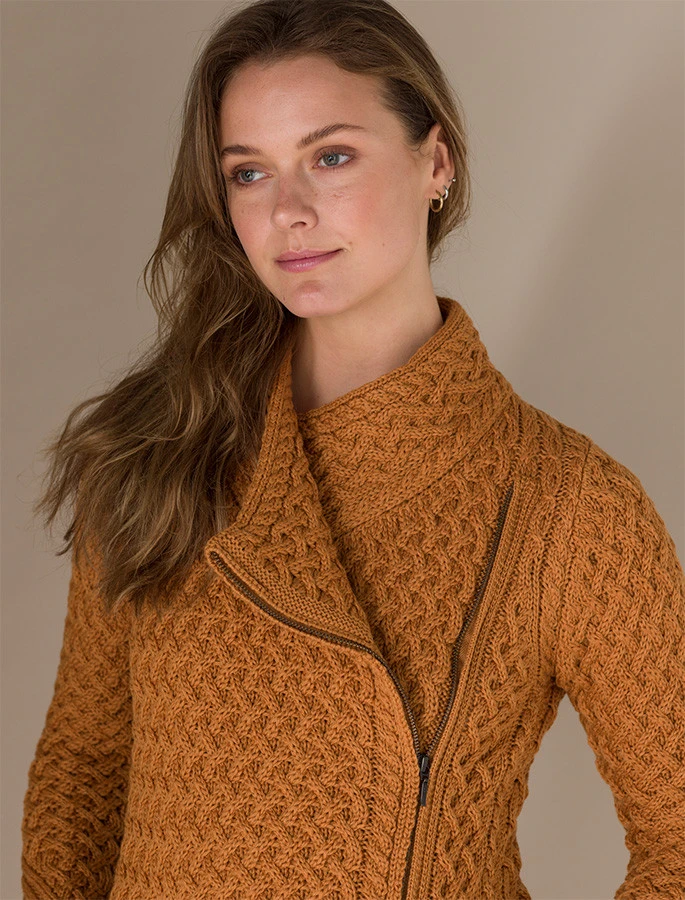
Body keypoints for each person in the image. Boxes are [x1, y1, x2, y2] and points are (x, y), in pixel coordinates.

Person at [21, 0, 685, 897]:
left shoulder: (567, 507)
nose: (288, 211)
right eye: (249, 172)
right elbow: (84, 771)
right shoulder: (159, 452)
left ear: (435, 161)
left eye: (330, 157)